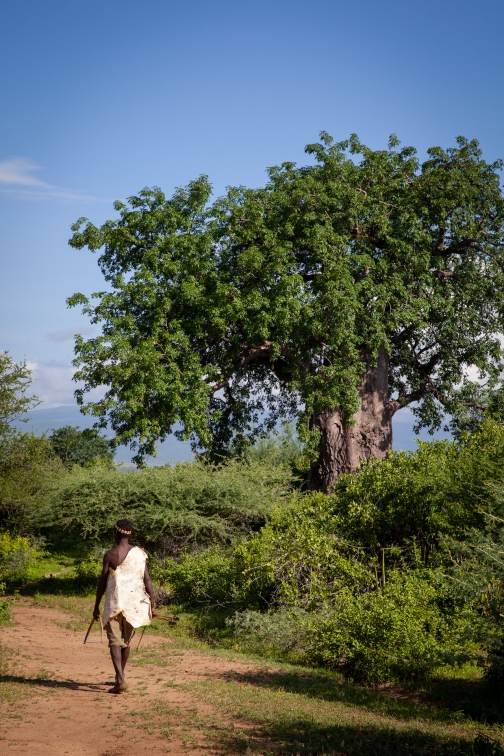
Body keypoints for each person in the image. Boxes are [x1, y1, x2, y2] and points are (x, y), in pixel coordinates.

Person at [93, 519, 155, 693]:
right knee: (125, 643)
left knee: (114, 641)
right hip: (134, 605)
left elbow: (102, 582)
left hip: (114, 605)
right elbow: (147, 580)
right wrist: (152, 602)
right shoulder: (140, 554)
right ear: (130, 534)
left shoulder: (110, 555)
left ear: (116, 533)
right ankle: (119, 676)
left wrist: (96, 606)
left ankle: (120, 680)